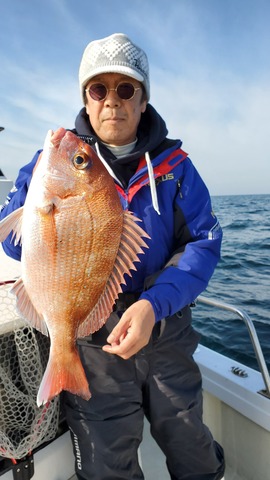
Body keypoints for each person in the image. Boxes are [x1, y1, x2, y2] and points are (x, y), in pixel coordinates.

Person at [0, 33, 225, 479]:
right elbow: (11, 242)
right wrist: (37, 197)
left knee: (190, 442)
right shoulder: (49, 164)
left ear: (143, 101)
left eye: (126, 89)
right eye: (98, 89)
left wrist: (151, 304)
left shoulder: (176, 169)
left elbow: (203, 243)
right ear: (85, 100)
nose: (112, 102)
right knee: (107, 464)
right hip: (92, 339)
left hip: (164, 328)